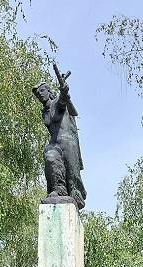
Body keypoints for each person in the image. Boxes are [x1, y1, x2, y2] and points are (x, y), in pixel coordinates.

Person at [32, 65, 86, 209]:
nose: (40, 95)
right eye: (37, 94)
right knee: (50, 158)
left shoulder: (57, 103)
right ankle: (58, 189)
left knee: (72, 174)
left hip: (68, 142)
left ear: (49, 91)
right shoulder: (44, 111)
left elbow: (63, 100)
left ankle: (76, 196)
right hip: (54, 144)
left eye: (42, 91)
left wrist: (64, 90)